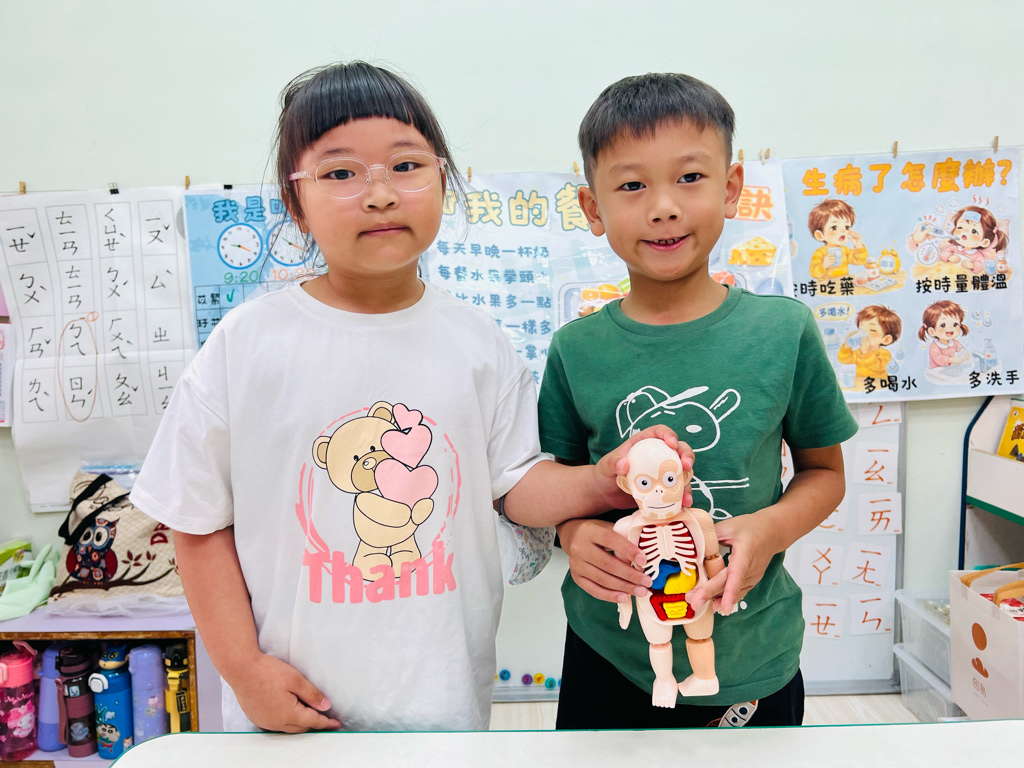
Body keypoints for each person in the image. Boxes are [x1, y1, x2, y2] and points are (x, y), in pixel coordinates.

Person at [129, 61, 690, 734]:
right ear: (293, 202)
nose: (379, 194)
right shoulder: (246, 344)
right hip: (291, 712)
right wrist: (243, 668)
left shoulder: (477, 343)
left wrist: (601, 480)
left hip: (442, 707)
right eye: (340, 172)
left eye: (406, 166)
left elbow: (518, 487)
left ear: (443, 182)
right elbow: (195, 520)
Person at [538, 72, 859, 729]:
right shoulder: (575, 349)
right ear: (592, 208)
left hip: (753, 653)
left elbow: (825, 473)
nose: (663, 207)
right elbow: (551, 487)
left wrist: (770, 529)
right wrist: (572, 534)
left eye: (689, 177)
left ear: (731, 187)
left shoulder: (783, 331)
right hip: (610, 651)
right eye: (632, 185)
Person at [837, 304, 903, 384]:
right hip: (862, 385)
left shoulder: (884, 354)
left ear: (886, 339)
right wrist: (846, 346)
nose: (864, 334)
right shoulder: (859, 352)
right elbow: (844, 360)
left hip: (878, 385)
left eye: (872, 330)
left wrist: (866, 353)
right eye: (861, 330)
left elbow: (878, 367)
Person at [807, 198, 870, 280]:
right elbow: (814, 273)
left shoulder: (845, 251)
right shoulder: (820, 253)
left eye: (847, 227)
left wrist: (858, 246)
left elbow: (861, 261)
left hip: (843, 285)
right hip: (827, 286)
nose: (843, 231)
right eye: (834, 227)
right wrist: (823, 265)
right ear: (820, 235)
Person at [918, 299, 970, 368]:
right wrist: (951, 360)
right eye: (943, 325)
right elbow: (938, 359)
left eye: (955, 324)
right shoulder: (934, 347)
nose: (950, 328)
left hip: (950, 370)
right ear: (932, 331)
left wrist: (965, 354)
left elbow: (961, 349)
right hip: (936, 372)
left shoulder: (954, 342)